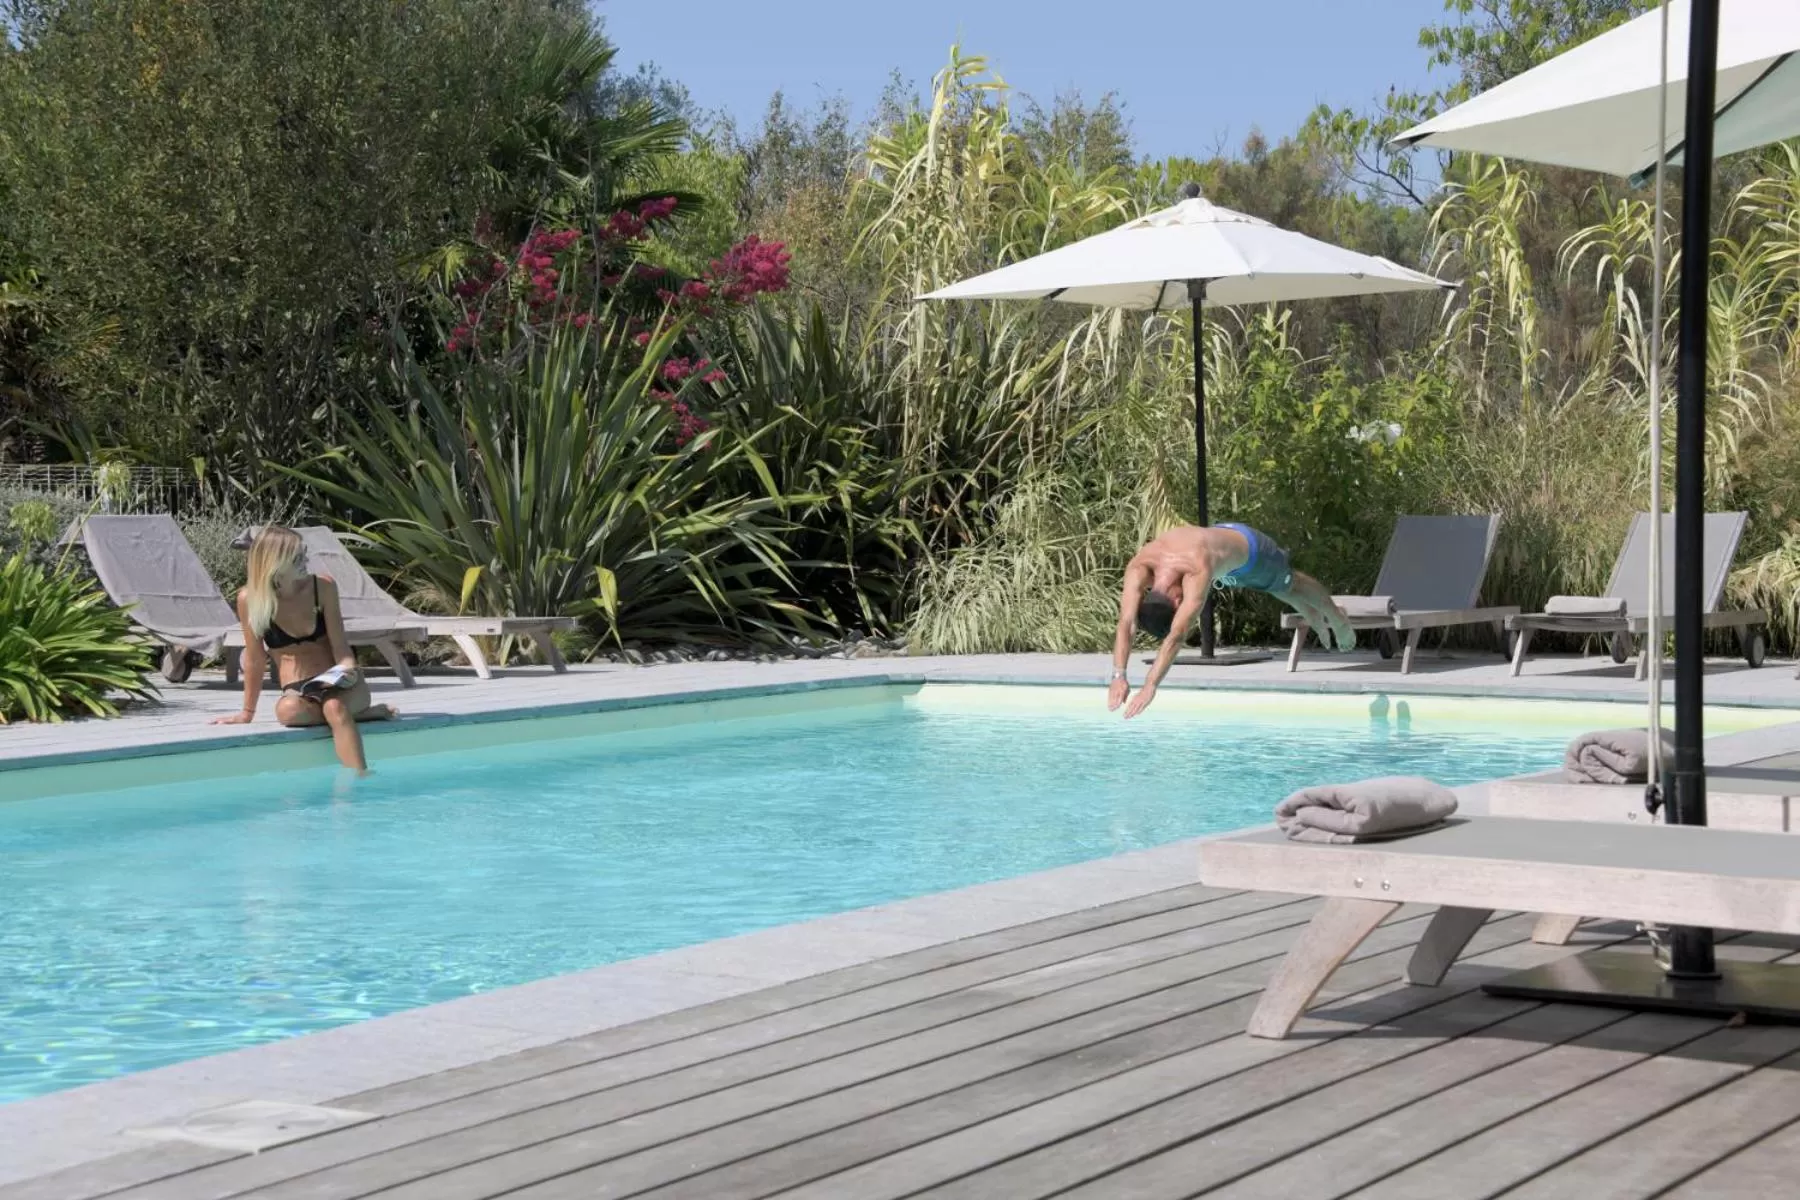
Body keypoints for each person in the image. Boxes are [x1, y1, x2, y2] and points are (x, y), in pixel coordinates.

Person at [1108, 523, 1354, 719]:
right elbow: (1126, 623)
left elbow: (1177, 634)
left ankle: (1337, 618)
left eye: (1180, 606)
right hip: (1225, 558)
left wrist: (1150, 685)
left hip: (1252, 552)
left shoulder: (1195, 568)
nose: (1183, 603)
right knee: (1275, 587)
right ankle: (1312, 615)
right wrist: (1119, 675)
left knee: (1290, 583)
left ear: (1175, 602)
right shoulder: (1139, 566)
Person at [210, 526, 396, 770]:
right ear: (275, 563)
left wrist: (348, 668)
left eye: (304, 553)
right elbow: (255, 659)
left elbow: (341, 648)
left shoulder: (322, 587)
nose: (306, 561)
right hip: (298, 690)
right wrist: (247, 712)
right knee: (287, 712)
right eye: (297, 557)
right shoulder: (250, 599)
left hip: (339, 681)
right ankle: (362, 713)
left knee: (334, 706)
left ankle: (359, 776)